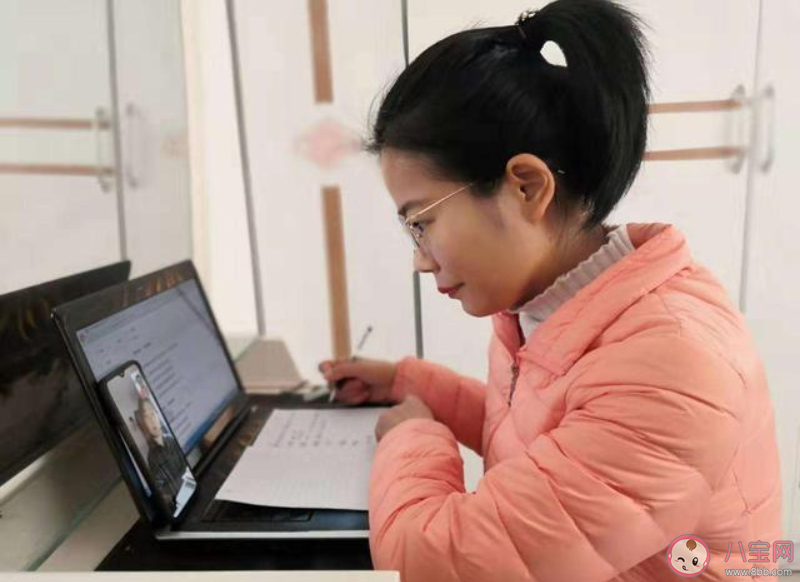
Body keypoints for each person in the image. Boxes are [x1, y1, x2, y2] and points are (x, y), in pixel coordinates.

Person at [318, 1, 781, 580]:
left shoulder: (670, 363)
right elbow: (541, 441)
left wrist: (410, 436)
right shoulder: (556, 305)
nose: (420, 258)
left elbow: (431, 562)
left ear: (527, 187)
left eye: (422, 222)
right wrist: (410, 385)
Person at [134, 396, 185, 514]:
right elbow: (159, 486)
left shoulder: (173, 440)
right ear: (144, 423)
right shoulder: (151, 457)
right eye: (147, 417)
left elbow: (185, 468)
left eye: (153, 414)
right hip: (175, 504)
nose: (152, 420)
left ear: (158, 415)